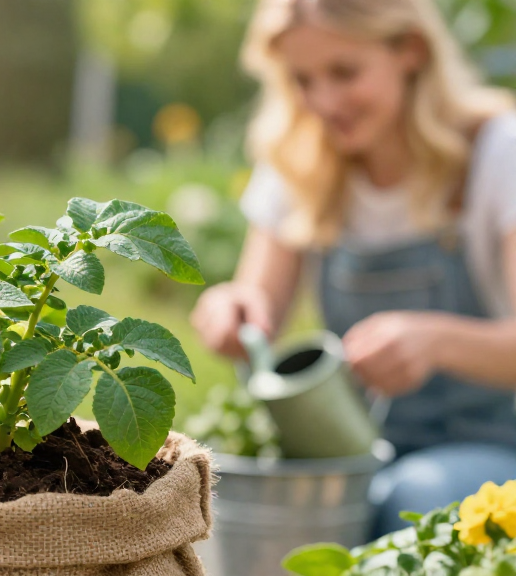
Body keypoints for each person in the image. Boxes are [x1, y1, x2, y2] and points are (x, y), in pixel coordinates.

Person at [191, 0, 516, 535]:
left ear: (410, 50)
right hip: (352, 449)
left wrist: (435, 341)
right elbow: (257, 304)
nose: (322, 100)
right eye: (302, 79)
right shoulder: (300, 158)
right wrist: (231, 312)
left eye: (344, 72)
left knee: (410, 500)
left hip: (488, 447)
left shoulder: (493, 151)